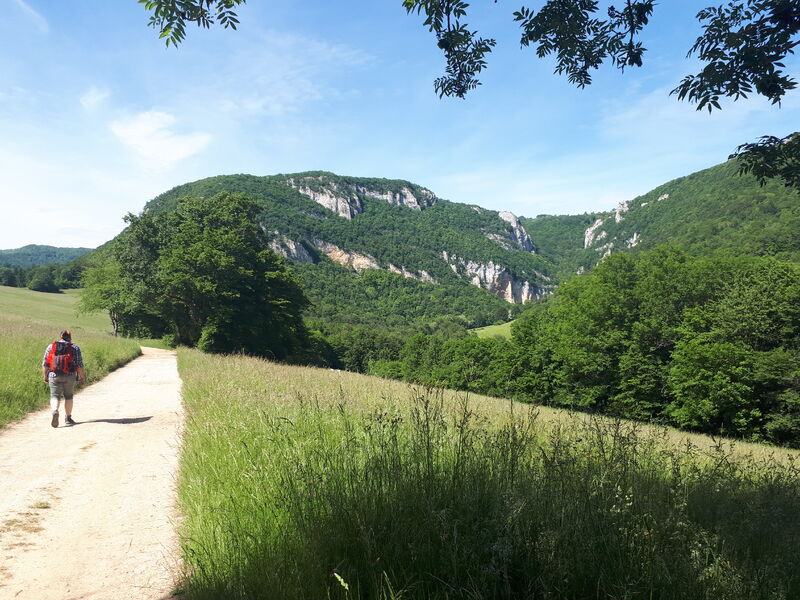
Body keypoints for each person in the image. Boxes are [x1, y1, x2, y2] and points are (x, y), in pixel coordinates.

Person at [42, 330, 86, 428]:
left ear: (60, 336)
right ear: (70, 337)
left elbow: (45, 364)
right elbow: (79, 365)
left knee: (54, 396)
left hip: (54, 375)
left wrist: (45, 376)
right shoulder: (75, 347)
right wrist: (82, 378)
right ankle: (68, 418)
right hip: (70, 375)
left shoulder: (51, 346)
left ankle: (55, 411)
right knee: (68, 396)